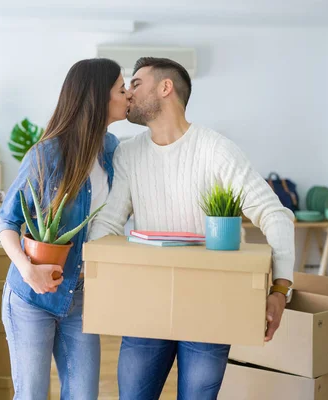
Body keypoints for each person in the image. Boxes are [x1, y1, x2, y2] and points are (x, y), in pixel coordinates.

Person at [88, 57, 296, 400]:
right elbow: (109, 223)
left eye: (136, 84)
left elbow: (275, 214)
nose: (127, 94)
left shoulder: (216, 150)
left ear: (165, 88)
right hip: (147, 303)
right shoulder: (128, 154)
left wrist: (280, 289)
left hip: (211, 305)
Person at [0, 58, 131, 400]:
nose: (128, 95)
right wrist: (28, 271)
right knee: (32, 395)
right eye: (121, 88)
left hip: (80, 296)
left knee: (84, 395)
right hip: (31, 297)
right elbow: (6, 221)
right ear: (98, 97)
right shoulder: (48, 153)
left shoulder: (113, 151)